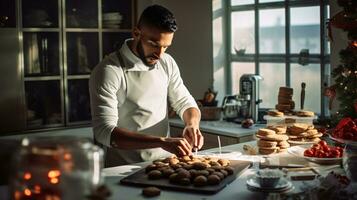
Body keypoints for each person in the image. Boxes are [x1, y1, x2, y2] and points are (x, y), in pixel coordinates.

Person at [89, 5, 204, 167]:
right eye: (154, 44)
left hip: (165, 165)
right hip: (122, 170)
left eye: (165, 47)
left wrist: (192, 125)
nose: (160, 54)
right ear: (136, 33)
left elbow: (185, 102)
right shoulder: (109, 71)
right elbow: (104, 132)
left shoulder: (167, 62)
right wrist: (161, 141)